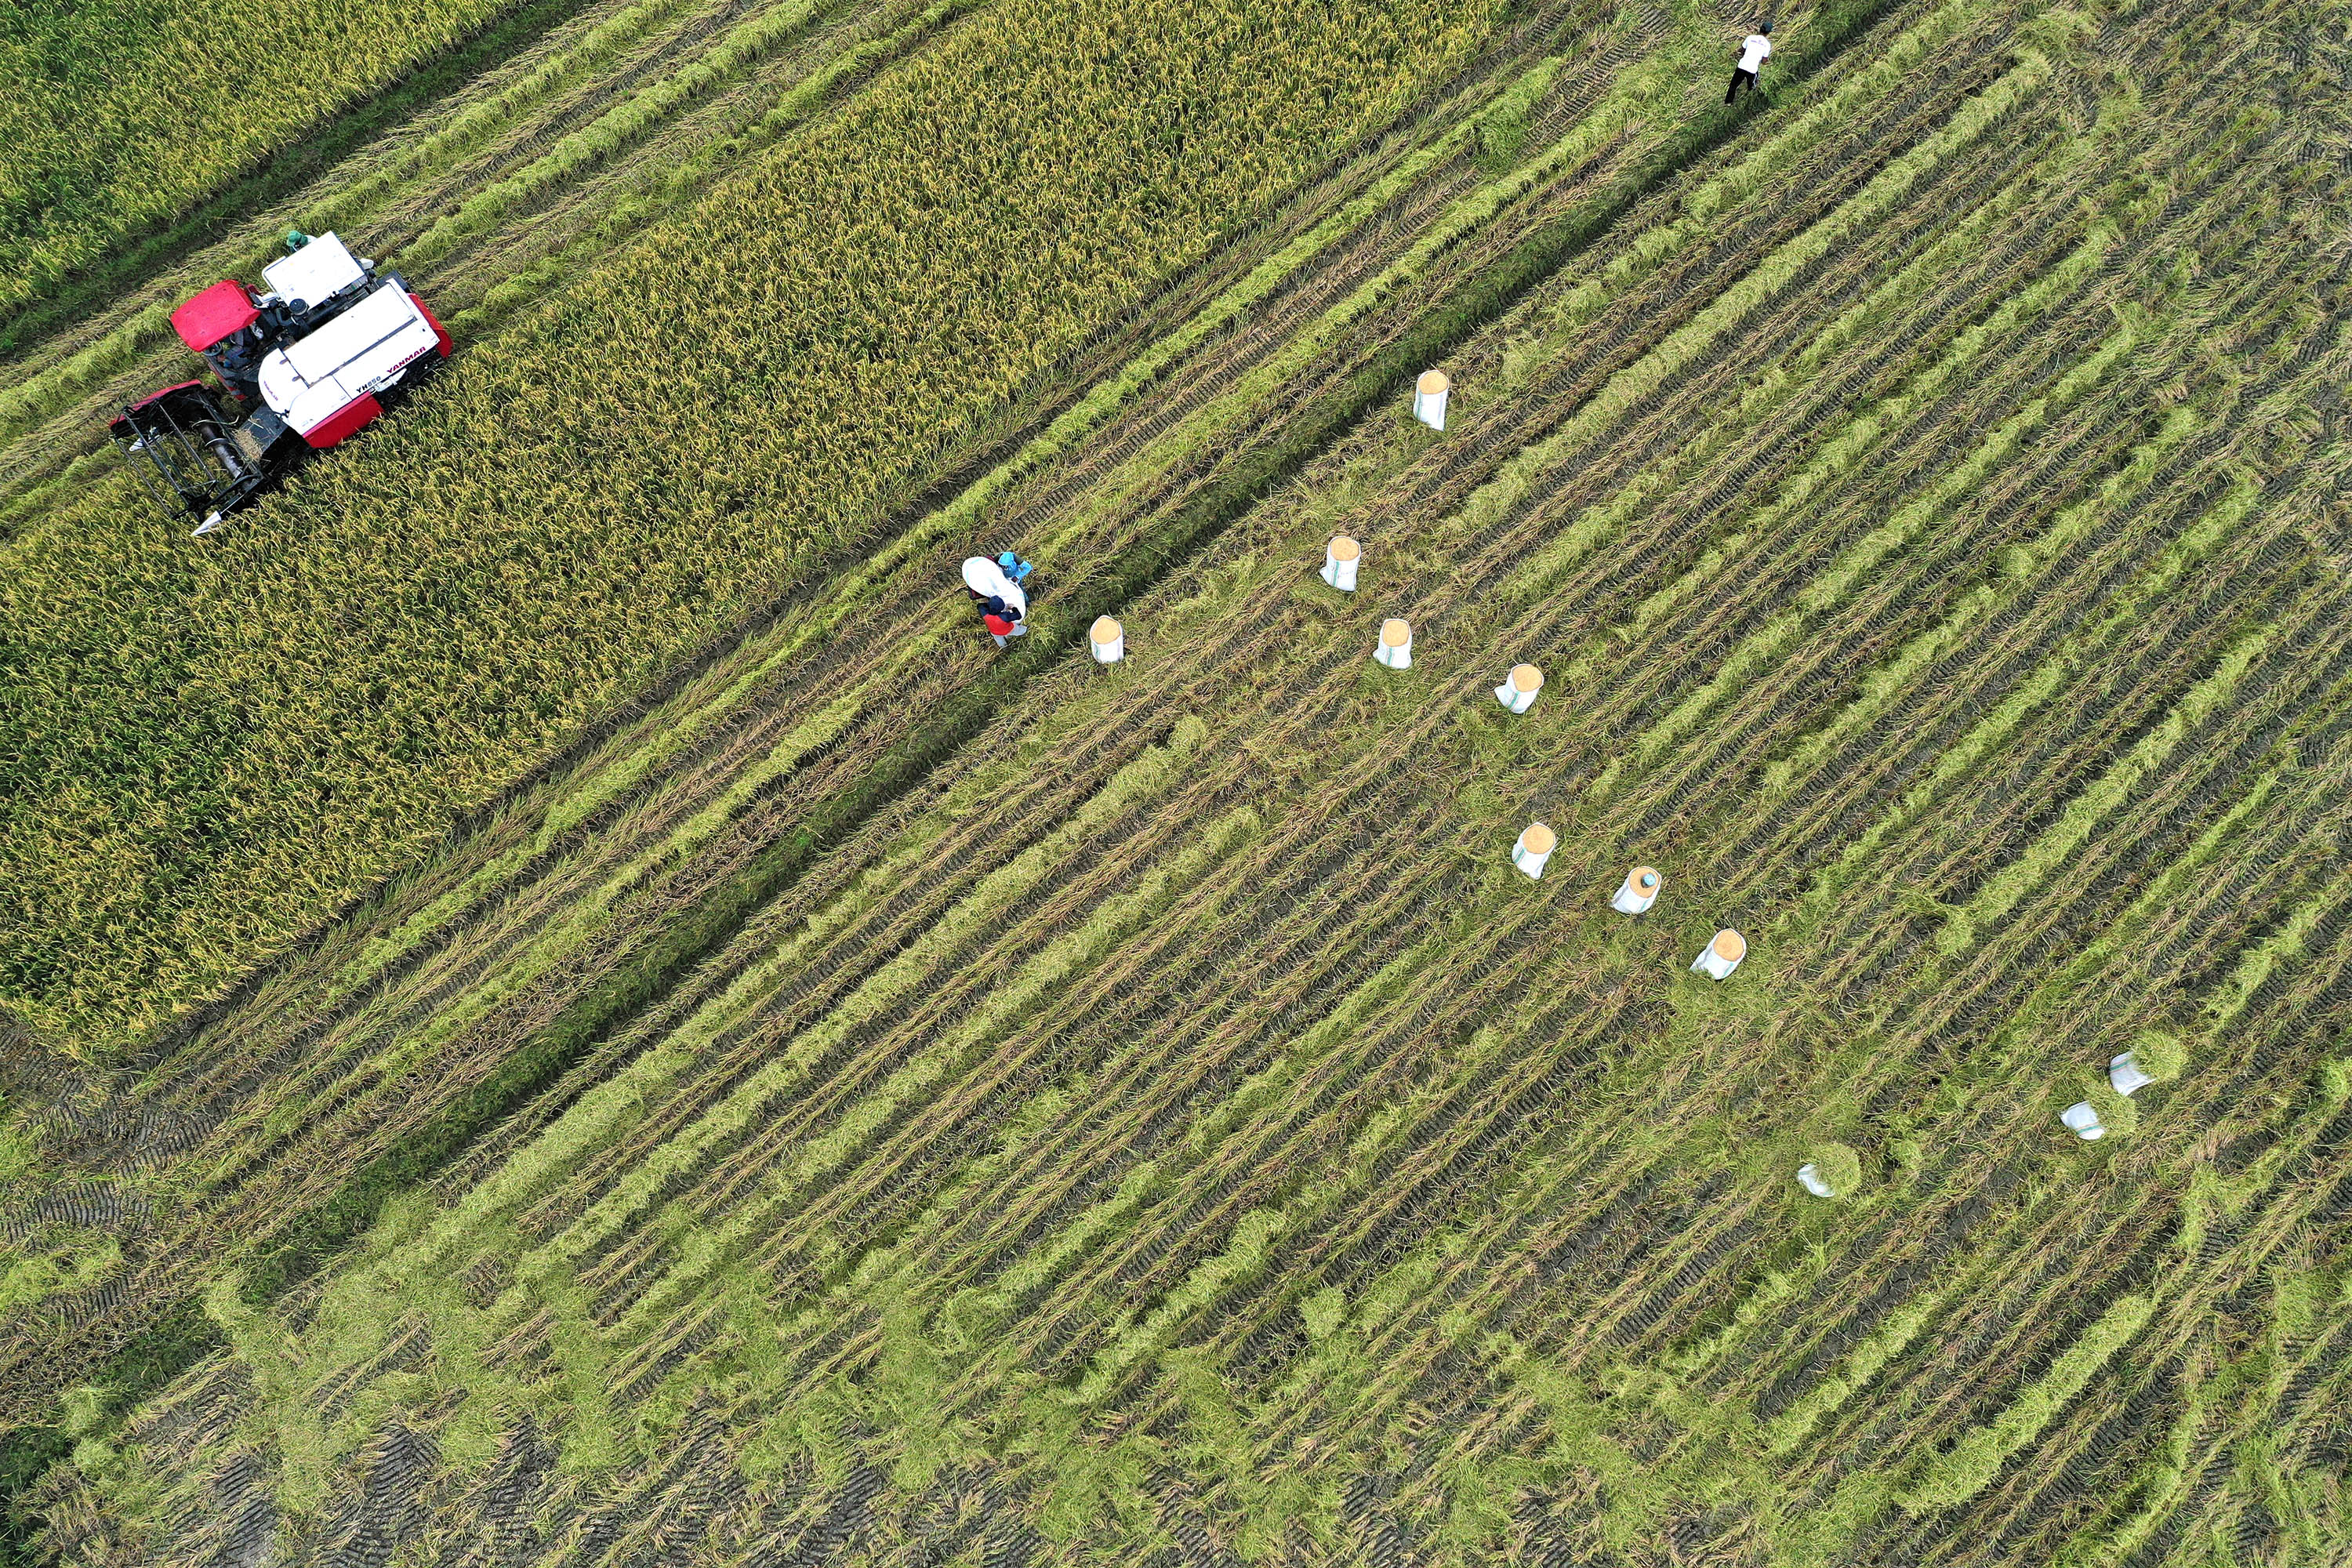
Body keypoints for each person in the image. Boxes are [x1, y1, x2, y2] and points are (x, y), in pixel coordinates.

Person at [962, 555, 1029, 648]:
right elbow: (1018, 615)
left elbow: (980, 607)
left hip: (994, 632)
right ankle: (1025, 631)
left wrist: (985, 605)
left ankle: (1004, 647)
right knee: (1018, 630)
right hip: (1008, 629)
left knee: (999, 639)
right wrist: (1012, 607)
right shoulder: (1004, 616)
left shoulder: (987, 615)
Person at [1726, 22, 1771, 103]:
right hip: (1752, 69)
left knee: (1733, 85)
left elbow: (1742, 51)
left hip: (1742, 66)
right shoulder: (1767, 45)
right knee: (1752, 85)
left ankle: (1728, 102)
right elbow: (1764, 61)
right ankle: (1749, 96)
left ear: (1760, 29)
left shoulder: (1750, 38)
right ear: (1768, 33)